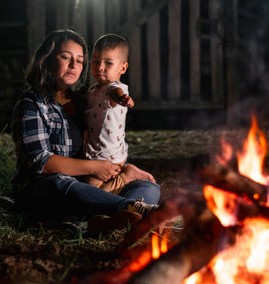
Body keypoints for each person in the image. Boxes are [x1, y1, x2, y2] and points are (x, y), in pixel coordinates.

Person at [11, 29, 161, 224]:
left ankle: (105, 219)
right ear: (47, 59)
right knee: (62, 184)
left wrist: (118, 169)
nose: (74, 65)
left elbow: (102, 142)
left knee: (149, 188)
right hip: (46, 187)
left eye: (80, 60)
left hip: (89, 185)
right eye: (66, 57)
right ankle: (129, 211)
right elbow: (40, 162)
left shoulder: (84, 102)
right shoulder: (32, 103)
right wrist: (95, 167)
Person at [84, 33, 154, 194]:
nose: (100, 67)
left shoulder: (114, 87)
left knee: (92, 194)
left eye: (108, 63)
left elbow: (115, 92)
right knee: (91, 192)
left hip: (107, 157)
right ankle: (125, 174)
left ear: (122, 68)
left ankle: (126, 176)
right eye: (95, 62)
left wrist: (122, 98)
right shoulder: (93, 90)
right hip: (100, 152)